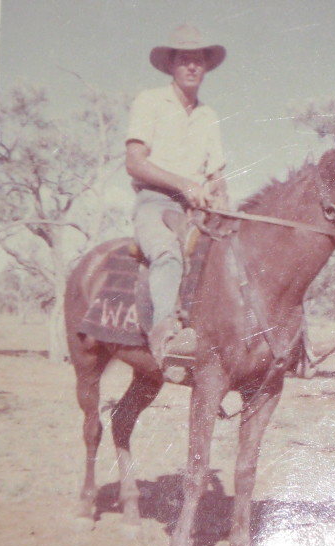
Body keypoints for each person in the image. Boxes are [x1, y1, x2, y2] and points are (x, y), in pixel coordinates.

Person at [125, 24, 228, 369]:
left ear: (205, 67)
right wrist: (184, 184)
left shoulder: (208, 115)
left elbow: (217, 175)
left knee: (236, 257)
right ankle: (165, 338)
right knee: (168, 253)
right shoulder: (150, 101)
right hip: (155, 203)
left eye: (198, 60)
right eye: (184, 60)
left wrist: (222, 204)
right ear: (171, 65)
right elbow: (134, 162)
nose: (191, 67)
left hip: (195, 211)